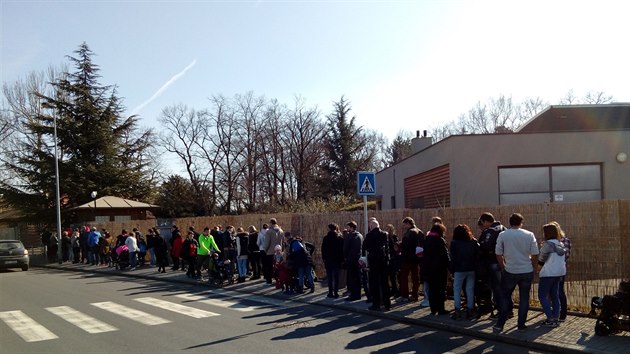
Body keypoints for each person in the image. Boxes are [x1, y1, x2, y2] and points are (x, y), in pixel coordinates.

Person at [493, 213, 540, 332]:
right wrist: (534, 267)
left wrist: (503, 266)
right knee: (524, 298)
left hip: (510, 270)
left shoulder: (503, 235)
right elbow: (535, 253)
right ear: (521, 222)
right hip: (526, 270)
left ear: (510, 222)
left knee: (505, 296)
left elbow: (498, 253)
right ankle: (521, 325)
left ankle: (500, 324)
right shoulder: (529, 234)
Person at [478, 212, 507, 318]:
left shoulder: (491, 231)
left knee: (497, 288)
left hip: (493, 261)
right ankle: (508, 308)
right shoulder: (504, 228)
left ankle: (501, 310)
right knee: (504, 287)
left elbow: (485, 246)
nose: (483, 225)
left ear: (485, 221)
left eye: (482, 223)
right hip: (504, 260)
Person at [538, 223, 567, 327]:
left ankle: (550, 319)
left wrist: (537, 270)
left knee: (542, 295)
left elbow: (541, 261)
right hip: (559, 273)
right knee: (554, 295)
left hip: (548, 273)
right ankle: (555, 317)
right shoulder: (560, 244)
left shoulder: (547, 245)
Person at [449, 224, 480, 320]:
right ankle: (470, 310)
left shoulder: (454, 243)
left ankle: (457, 311)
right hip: (471, 269)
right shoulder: (473, 241)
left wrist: (451, 270)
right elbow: (478, 255)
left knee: (457, 290)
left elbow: (452, 258)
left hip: (459, 269)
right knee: (470, 289)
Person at [363, 218, 391, 311]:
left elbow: (365, 247)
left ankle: (376, 304)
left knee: (374, 283)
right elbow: (388, 247)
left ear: (371, 226)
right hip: (383, 261)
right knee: (385, 283)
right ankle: (387, 304)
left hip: (374, 261)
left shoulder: (369, 235)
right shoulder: (385, 234)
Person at [423, 223, 450, 315]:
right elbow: (445, 255)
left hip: (429, 268)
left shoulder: (426, 239)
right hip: (440, 268)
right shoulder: (440, 240)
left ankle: (433, 309)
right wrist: (450, 267)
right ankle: (441, 309)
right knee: (441, 289)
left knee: (432, 289)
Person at [399, 217, 423, 302]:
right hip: (417, 258)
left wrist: (399, 246)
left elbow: (405, 246)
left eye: (405, 224)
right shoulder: (420, 232)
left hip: (407, 258)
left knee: (404, 277)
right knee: (415, 277)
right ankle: (415, 295)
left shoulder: (408, 233)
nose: (404, 226)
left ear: (408, 223)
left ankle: (405, 295)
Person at [553, 221, 571, 322]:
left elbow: (565, 256)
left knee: (559, 291)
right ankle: (558, 313)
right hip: (557, 269)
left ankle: (561, 313)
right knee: (556, 291)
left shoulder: (564, 241)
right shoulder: (564, 241)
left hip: (557, 269)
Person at [321, 223, 344, 298]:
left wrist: (324, 258)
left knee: (330, 277)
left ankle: (330, 292)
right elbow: (342, 250)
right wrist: (342, 259)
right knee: (336, 277)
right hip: (337, 260)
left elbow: (323, 249)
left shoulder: (326, 238)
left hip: (328, 260)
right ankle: (336, 292)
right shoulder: (340, 238)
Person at [343, 221, 363, 301]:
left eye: (348, 227)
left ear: (351, 227)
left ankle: (354, 295)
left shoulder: (350, 236)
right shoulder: (360, 235)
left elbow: (345, 248)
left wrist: (345, 257)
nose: (347, 229)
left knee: (352, 278)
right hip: (358, 258)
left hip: (351, 259)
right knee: (357, 277)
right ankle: (358, 294)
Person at [263, 218, 284, 285]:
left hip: (270, 251)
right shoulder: (281, 230)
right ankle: (278, 279)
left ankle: (269, 280)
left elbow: (267, 242)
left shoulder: (269, 231)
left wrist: (265, 250)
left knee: (269, 266)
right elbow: (283, 242)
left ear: (271, 223)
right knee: (278, 266)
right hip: (278, 251)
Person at [385, 223, 401, 299]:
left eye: (388, 229)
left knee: (393, 275)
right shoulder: (386, 237)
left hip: (394, 258)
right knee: (390, 276)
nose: (387, 230)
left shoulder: (393, 237)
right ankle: (393, 289)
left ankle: (396, 290)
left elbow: (396, 248)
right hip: (390, 258)